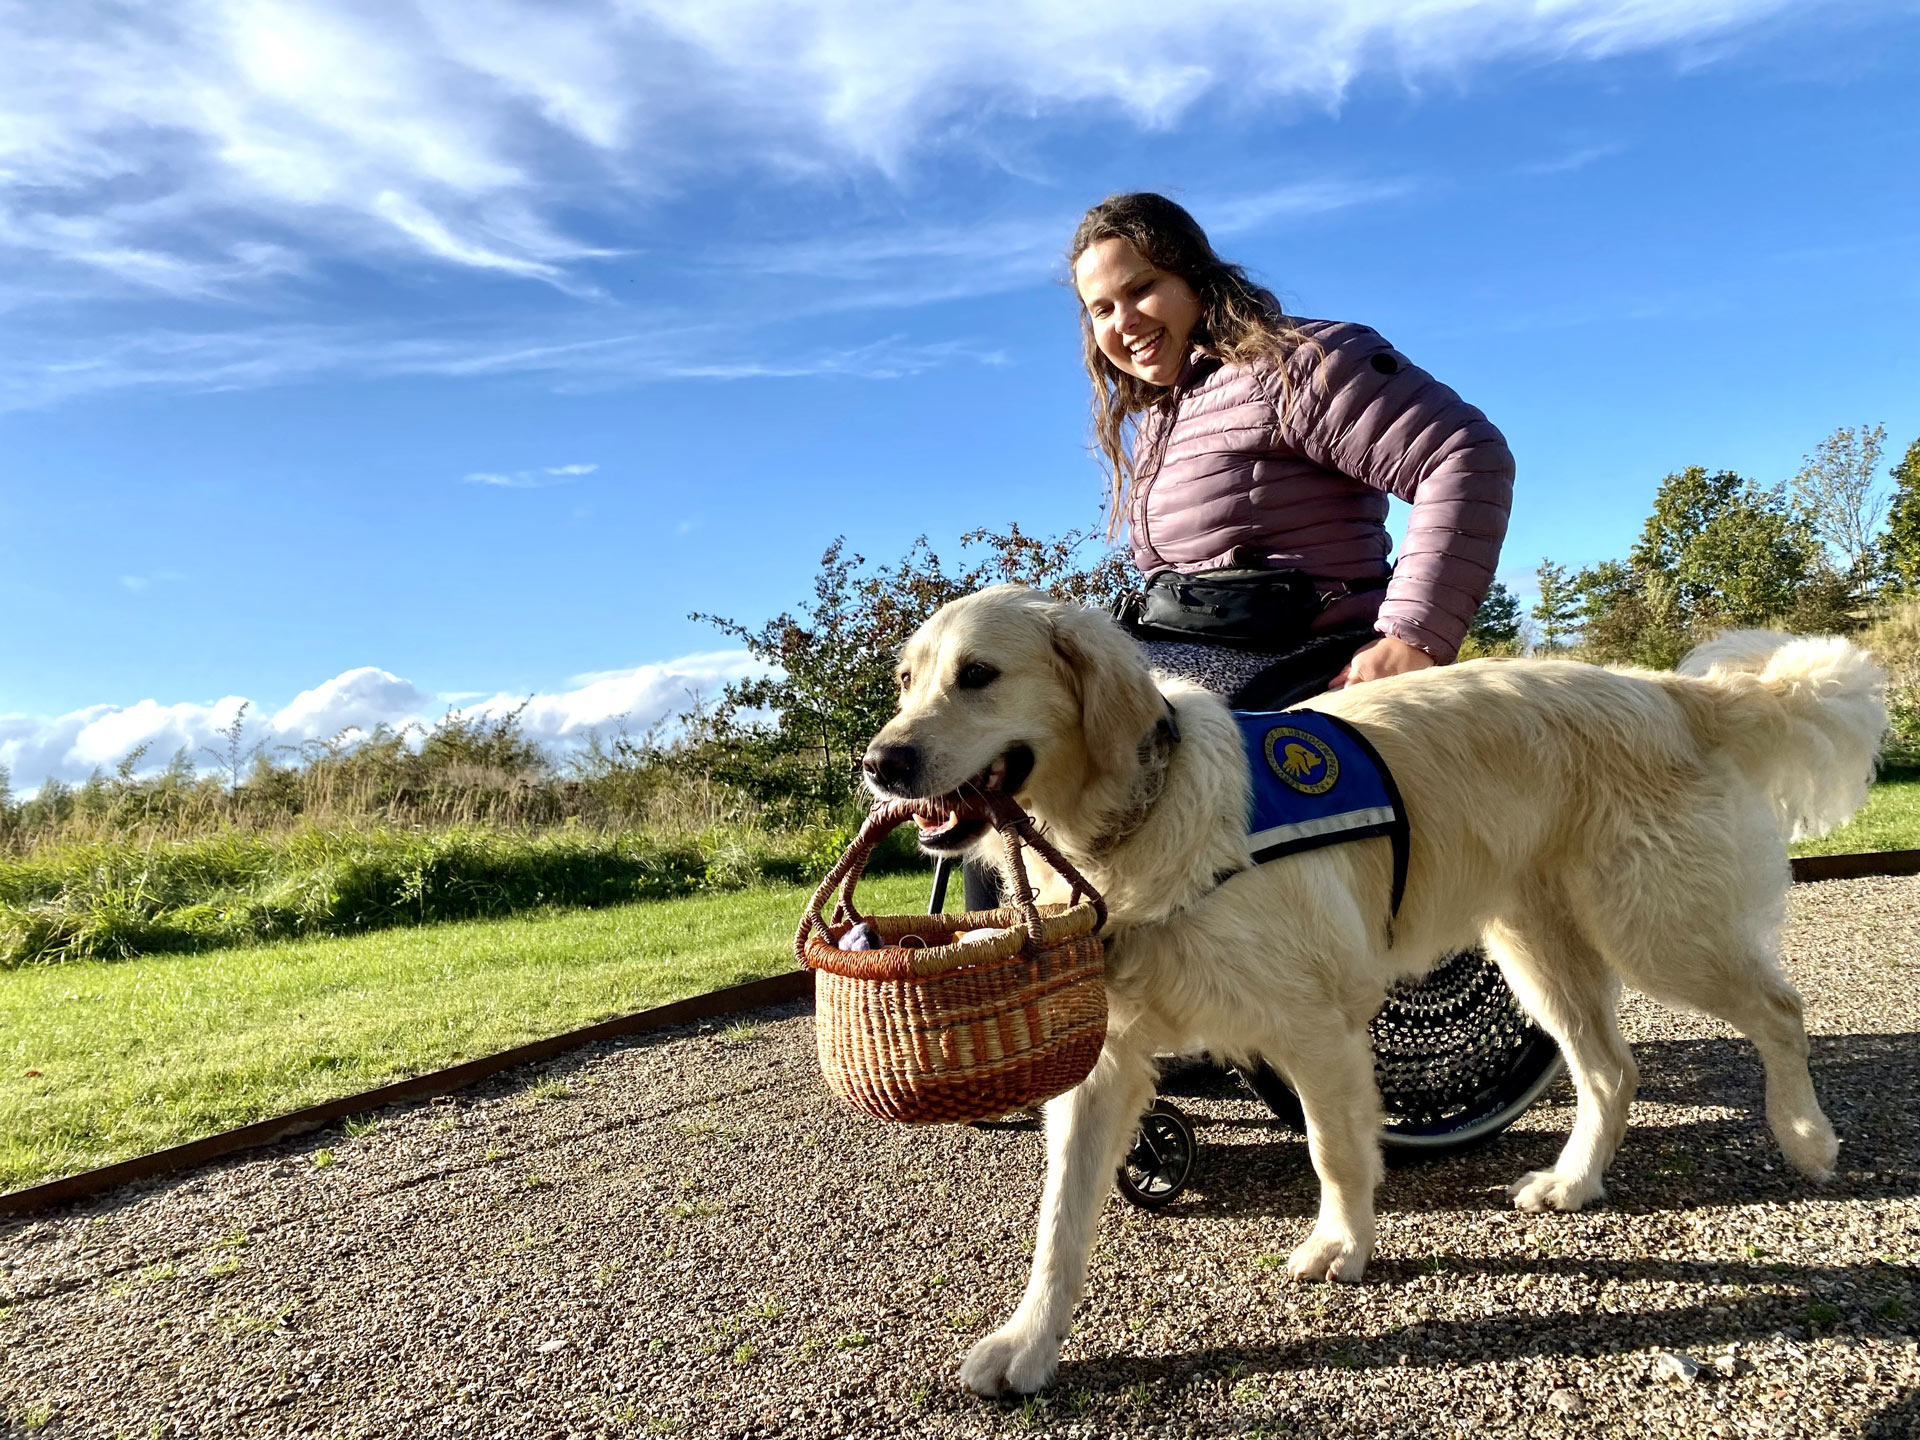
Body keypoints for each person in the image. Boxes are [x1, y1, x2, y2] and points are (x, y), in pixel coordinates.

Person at [1068, 191, 1514, 708]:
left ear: (1194, 278)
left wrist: (1411, 639)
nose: (1123, 321)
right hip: (1198, 648)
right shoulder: (1161, 421)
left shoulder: (1295, 365)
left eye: (1141, 288)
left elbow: (1463, 453)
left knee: (1115, 739)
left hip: (1307, 654)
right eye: (1101, 309)